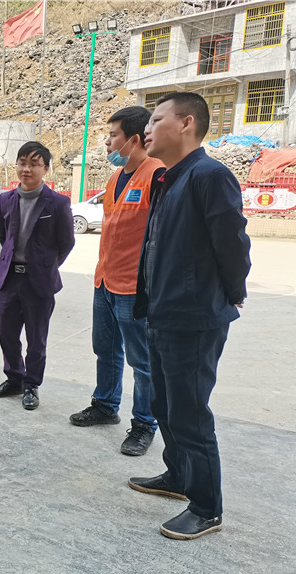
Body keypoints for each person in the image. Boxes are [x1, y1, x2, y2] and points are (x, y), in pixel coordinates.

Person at [128, 92, 251, 540]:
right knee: (164, 405)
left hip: (194, 318)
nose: (147, 128)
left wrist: (233, 293)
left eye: (156, 119)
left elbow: (232, 243)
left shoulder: (210, 175)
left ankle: (206, 507)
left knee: (190, 412)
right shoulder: (170, 178)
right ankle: (178, 476)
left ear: (186, 124)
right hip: (163, 313)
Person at [69, 107, 165, 456]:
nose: (107, 142)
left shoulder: (157, 175)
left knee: (143, 361)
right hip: (105, 280)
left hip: (135, 287)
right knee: (106, 349)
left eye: (113, 136)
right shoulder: (114, 180)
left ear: (134, 139)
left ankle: (144, 424)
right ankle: (106, 405)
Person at [0, 141, 74, 410]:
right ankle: (14, 378)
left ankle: (31, 385)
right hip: (10, 278)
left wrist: (46, 266)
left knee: (36, 339)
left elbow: (66, 243)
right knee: (7, 334)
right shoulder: (5, 199)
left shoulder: (58, 203)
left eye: (34, 164)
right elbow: (4, 236)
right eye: (22, 163)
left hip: (39, 282)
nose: (26, 169)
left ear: (45, 169)